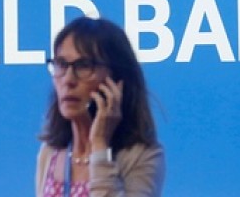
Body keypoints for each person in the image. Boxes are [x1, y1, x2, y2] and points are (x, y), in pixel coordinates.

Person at [36, 16, 165, 197]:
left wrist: (99, 146)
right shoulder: (51, 152)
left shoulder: (142, 156)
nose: (68, 79)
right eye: (61, 64)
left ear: (115, 81)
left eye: (84, 65)